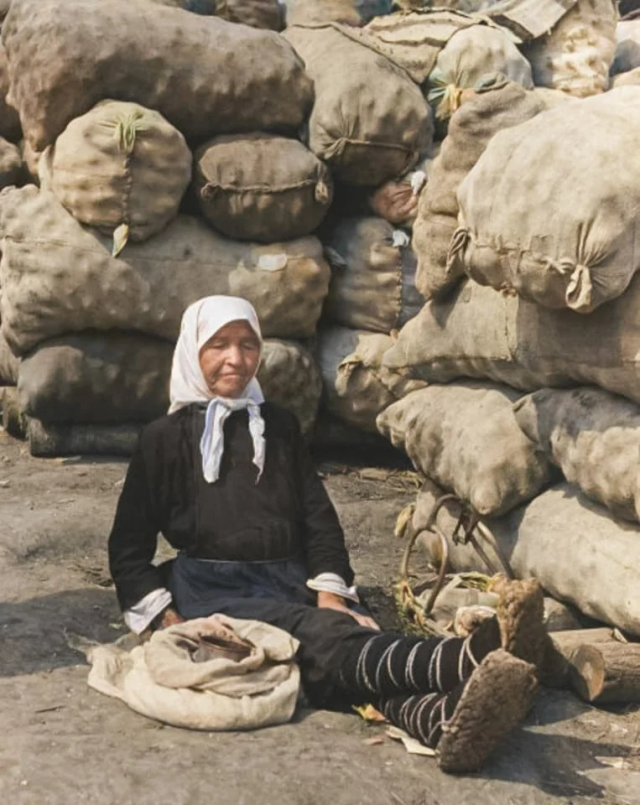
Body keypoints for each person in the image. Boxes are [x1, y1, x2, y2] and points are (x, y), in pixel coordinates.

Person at [109, 295, 546, 774]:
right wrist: (164, 615)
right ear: (192, 351)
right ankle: (472, 656)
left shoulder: (277, 426)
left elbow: (318, 518)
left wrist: (331, 592)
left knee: (334, 644)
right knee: (324, 641)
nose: (236, 358)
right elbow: (128, 550)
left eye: (247, 345)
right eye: (218, 345)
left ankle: (441, 720)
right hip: (213, 591)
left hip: (290, 579)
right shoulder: (162, 439)